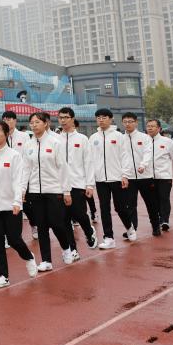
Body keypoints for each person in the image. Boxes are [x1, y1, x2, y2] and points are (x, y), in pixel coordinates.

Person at [0, 121, 37, 288]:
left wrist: (17, 201)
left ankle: (29, 257)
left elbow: (18, 180)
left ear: (6, 134)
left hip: (11, 205)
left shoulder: (14, 155)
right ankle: (2, 275)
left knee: (14, 239)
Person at [22, 112, 74, 271]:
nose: (34, 125)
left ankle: (66, 248)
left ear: (46, 124)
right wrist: (23, 189)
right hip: (35, 191)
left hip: (54, 189)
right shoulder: (28, 145)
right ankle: (46, 260)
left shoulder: (55, 142)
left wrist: (66, 191)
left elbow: (63, 167)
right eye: (32, 122)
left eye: (37, 122)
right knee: (41, 225)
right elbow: (26, 169)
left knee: (56, 223)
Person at [87, 108, 133, 249]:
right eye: (98, 117)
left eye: (104, 117)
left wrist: (125, 175)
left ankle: (129, 227)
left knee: (120, 208)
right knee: (104, 208)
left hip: (117, 178)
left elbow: (125, 157)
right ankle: (109, 238)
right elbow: (90, 161)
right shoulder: (93, 138)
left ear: (111, 119)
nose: (101, 120)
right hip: (100, 180)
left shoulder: (119, 136)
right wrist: (90, 182)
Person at [57, 108, 97, 254]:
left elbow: (88, 162)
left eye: (66, 117)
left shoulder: (82, 139)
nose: (63, 120)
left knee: (79, 214)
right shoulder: (55, 139)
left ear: (72, 119)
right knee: (64, 218)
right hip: (59, 185)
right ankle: (72, 249)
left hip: (78, 183)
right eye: (60, 117)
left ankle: (89, 231)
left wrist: (89, 184)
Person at [142, 118, 173, 230]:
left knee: (164, 198)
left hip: (164, 176)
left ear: (159, 128)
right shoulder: (143, 141)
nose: (150, 128)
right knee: (153, 200)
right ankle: (157, 218)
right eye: (148, 126)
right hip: (148, 176)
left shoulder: (167, 142)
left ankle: (165, 220)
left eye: (152, 126)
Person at [122, 112, 161, 238]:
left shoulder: (145, 137)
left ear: (136, 122)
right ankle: (132, 229)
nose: (127, 124)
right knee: (130, 205)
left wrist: (143, 165)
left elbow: (148, 153)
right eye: (125, 122)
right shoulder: (120, 139)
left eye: (130, 121)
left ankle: (156, 226)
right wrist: (123, 174)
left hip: (145, 176)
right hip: (129, 178)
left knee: (151, 203)